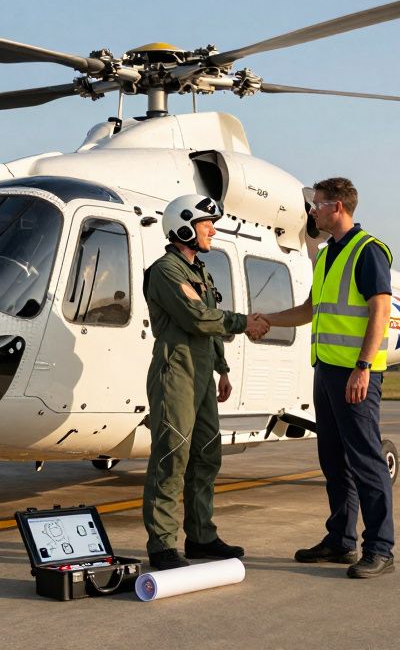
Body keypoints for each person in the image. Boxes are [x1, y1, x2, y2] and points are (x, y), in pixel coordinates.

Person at [254, 177, 396, 578]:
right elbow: (311, 309)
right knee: (333, 461)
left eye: (316, 205)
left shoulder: (368, 251)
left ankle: (381, 548)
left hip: (355, 374)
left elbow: (379, 313)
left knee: (366, 461)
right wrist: (268, 319)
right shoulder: (331, 253)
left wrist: (364, 367)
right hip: (327, 371)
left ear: (337, 207)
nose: (311, 211)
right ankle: (341, 541)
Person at [142, 193, 270, 570]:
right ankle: (162, 546)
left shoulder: (200, 273)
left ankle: (201, 536)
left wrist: (222, 368)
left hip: (201, 377)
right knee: (172, 457)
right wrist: (244, 322)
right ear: (184, 226)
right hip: (176, 374)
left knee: (206, 456)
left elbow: (208, 327)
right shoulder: (167, 271)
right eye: (205, 223)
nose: (212, 230)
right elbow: (197, 318)